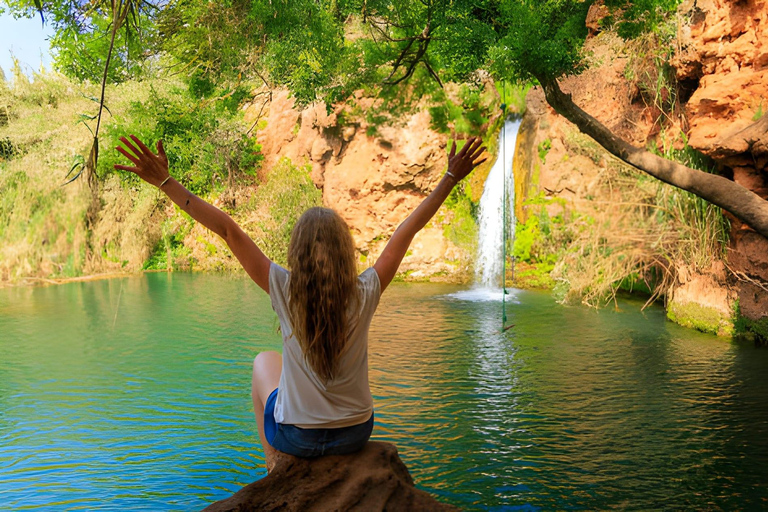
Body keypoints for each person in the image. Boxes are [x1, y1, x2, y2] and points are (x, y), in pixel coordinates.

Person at [114, 134, 486, 462]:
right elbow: (408, 229)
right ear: (345, 251)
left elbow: (228, 230)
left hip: (296, 438)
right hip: (356, 434)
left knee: (263, 361)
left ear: (297, 251)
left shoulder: (283, 287)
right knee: (272, 362)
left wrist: (165, 181)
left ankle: (274, 464)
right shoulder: (366, 290)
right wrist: (450, 177)